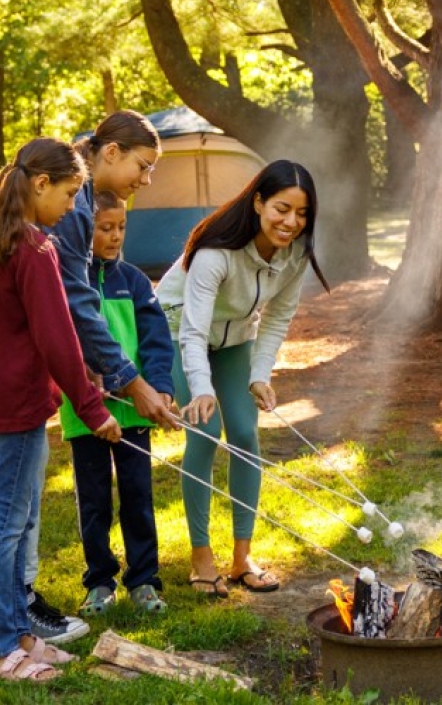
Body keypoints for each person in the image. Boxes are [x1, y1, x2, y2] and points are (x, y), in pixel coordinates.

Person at [0, 138, 121, 682]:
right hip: (16, 402)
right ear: (41, 184)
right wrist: (94, 410)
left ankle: (21, 636)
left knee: (13, 521)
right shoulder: (34, 248)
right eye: (71, 193)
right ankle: (1, 652)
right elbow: (58, 340)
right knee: (6, 526)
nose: (75, 206)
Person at [155, 159, 330, 597]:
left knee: (247, 437)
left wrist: (259, 377)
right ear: (258, 203)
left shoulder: (294, 257)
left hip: (234, 341)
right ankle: (201, 557)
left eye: (302, 213)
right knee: (205, 431)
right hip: (177, 334)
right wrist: (200, 389)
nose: (291, 221)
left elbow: (275, 321)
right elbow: (193, 330)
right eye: (281, 208)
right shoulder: (215, 253)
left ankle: (242, 557)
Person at [58, 191, 175, 616]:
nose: (114, 236)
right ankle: (100, 582)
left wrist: (160, 387)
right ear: (84, 230)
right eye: (104, 228)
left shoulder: (137, 281)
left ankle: (144, 581)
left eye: (120, 227)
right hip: (84, 413)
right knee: (94, 502)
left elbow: (157, 343)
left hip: (134, 413)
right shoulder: (70, 281)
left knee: (138, 498)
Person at [56, 109, 178, 430]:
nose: (147, 180)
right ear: (112, 152)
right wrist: (133, 383)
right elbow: (76, 301)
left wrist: (90, 357)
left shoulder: (81, 195)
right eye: (143, 166)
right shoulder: (76, 206)